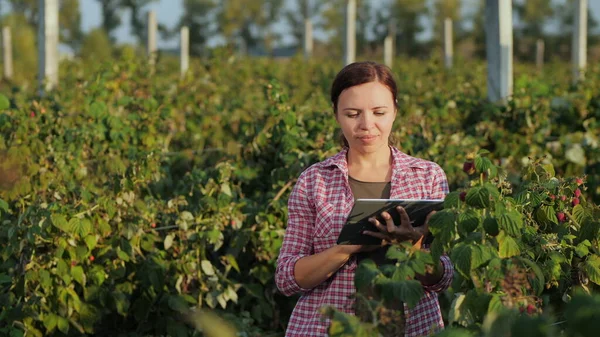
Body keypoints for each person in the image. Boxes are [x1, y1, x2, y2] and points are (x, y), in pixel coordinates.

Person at [275, 61, 454, 337]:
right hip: (328, 329)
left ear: (394, 111)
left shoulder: (428, 176)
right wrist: (347, 248)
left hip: (413, 328)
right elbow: (287, 278)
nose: (366, 125)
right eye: (352, 114)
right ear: (336, 114)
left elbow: (443, 277)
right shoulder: (315, 180)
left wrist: (412, 248)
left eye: (378, 112)